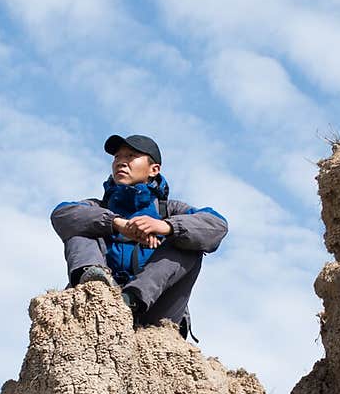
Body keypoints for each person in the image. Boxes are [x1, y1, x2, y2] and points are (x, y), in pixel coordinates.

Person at [50, 134, 228, 340]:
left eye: (131, 156)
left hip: (156, 317)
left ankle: (131, 299)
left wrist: (166, 226)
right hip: (98, 308)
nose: (121, 162)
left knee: (189, 241)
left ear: (154, 169)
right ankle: (96, 286)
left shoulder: (170, 210)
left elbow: (217, 225)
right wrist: (117, 224)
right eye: (117, 157)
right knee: (81, 225)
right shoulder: (98, 207)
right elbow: (61, 214)